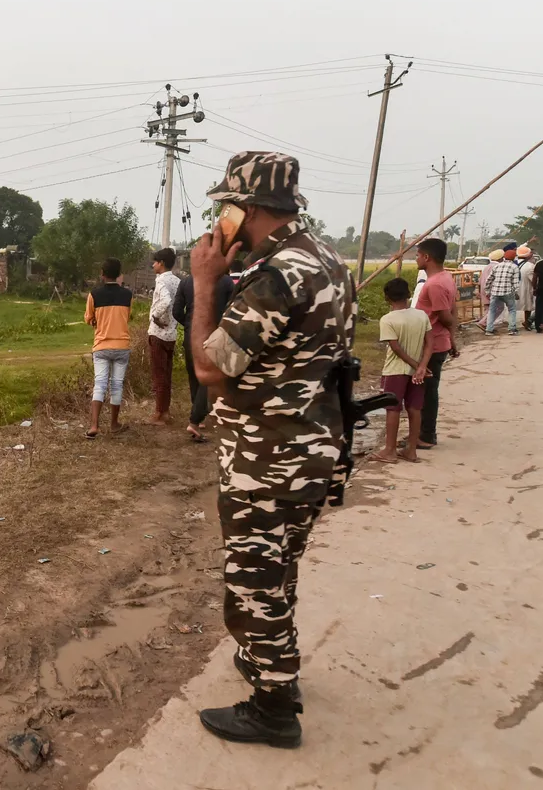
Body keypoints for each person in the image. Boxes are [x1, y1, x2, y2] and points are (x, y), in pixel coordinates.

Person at [188, 151, 354, 748]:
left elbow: (210, 369)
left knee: (254, 582)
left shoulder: (278, 274)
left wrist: (204, 281)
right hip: (313, 452)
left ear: (246, 208)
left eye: (225, 207)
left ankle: (273, 709)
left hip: (268, 461)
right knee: (278, 572)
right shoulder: (330, 261)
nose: (220, 220)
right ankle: (271, 667)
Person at [172, 260, 237, 441]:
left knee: (194, 374)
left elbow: (176, 310)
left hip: (190, 335)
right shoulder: (226, 282)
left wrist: (188, 324)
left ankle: (197, 414)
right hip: (214, 335)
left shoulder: (186, 282)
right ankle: (195, 419)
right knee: (208, 380)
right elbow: (232, 310)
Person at [371, 277, 431, 464]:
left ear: (387, 298)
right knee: (415, 408)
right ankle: (411, 450)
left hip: (395, 370)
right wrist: (421, 366)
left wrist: (415, 365)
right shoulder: (421, 315)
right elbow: (430, 342)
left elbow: (395, 348)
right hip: (417, 372)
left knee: (393, 409)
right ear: (408, 294)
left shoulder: (388, 319)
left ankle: (389, 450)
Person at [414, 238, 459, 452]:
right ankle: (422, 431)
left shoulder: (435, 284)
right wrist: (453, 338)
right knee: (426, 390)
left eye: (417, 255)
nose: (416, 259)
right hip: (438, 341)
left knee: (427, 392)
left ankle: (426, 435)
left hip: (433, 345)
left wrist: (451, 336)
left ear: (426, 257)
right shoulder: (446, 278)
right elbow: (454, 308)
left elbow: (445, 315)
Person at [84, 257, 132, 439]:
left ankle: (94, 425)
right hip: (121, 345)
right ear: (119, 274)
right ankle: (114, 424)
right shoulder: (128, 295)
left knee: (100, 384)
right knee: (117, 385)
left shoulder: (94, 295)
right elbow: (127, 317)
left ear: (102, 274)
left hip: (102, 345)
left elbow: (89, 318)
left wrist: (96, 321)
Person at [146, 248, 181, 425]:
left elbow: (165, 301)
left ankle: (159, 412)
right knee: (166, 375)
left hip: (159, 333)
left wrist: (155, 316)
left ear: (161, 263)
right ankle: (165, 411)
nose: (153, 264)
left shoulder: (161, 281)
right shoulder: (177, 281)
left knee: (158, 374)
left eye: (155, 261)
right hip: (171, 333)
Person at [483, 247, 521, 336]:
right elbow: (515, 282)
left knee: (492, 310)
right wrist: (516, 293)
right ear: (514, 257)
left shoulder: (497, 266)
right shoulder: (514, 267)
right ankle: (512, 329)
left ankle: (489, 330)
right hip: (507, 292)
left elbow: (489, 280)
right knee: (511, 309)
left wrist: (488, 291)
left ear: (504, 257)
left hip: (495, 292)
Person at [474, 249, 503, 325]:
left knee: (489, 309)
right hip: (491, 291)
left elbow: (480, 281)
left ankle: (487, 325)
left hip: (483, 290)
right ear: (500, 258)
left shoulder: (487, 267)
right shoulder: (497, 267)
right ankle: (484, 323)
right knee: (498, 307)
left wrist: (479, 292)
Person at [516, 245, 536, 330]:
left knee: (512, 308)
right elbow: (533, 280)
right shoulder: (529, 266)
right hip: (525, 288)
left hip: (514, 288)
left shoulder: (513, 263)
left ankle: (512, 325)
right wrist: (536, 288)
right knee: (528, 307)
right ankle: (527, 323)